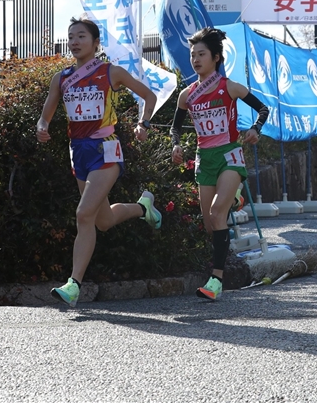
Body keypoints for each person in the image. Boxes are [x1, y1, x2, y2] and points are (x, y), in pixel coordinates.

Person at [37, 17, 159, 308]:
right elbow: (46, 114)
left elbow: (149, 96)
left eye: (81, 36)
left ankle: (73, 284)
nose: (75, 42)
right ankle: (143, 208)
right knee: (101, 221)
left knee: (83, 214)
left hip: (106, 150)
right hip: (78, 152)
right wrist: (42, 127)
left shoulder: (110, 72)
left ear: (95, 42)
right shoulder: (62, 77)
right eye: (71, 37)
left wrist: (144, 123)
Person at [170, 28, 270, 301]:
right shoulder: (186, 95)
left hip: (229, 154)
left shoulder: (230, 87)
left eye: (201, 54)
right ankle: (234, 199)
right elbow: (175, 129)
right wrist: (176, 145)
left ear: (215, 57)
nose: (195, 59)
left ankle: (216, 280)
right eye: (193, 55)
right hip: (205, 158)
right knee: (210, 224)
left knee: (216, 213)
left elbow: (263, 109)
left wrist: (255, 129)